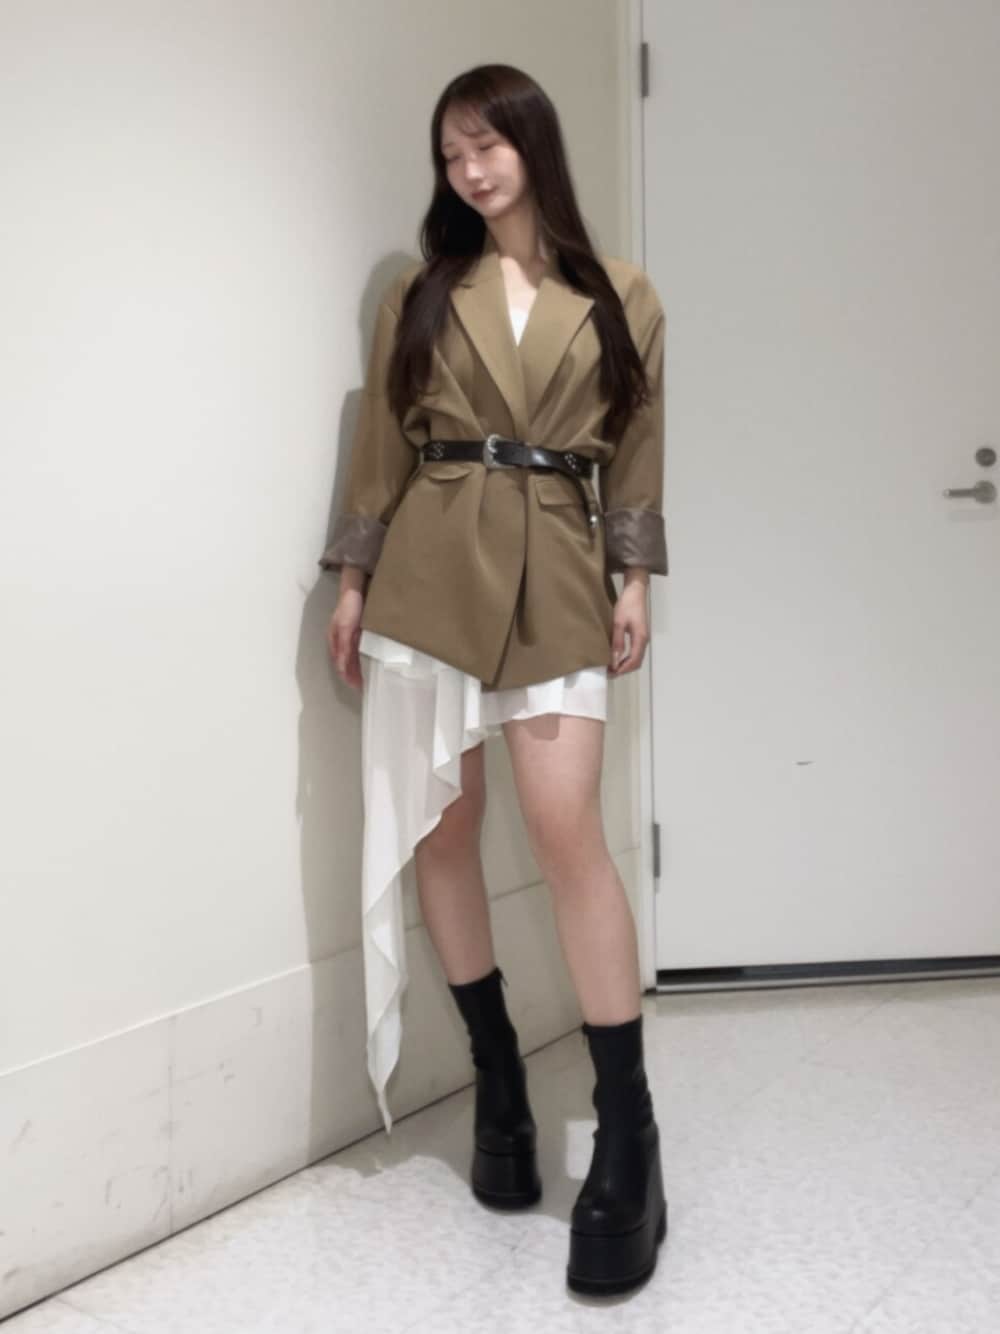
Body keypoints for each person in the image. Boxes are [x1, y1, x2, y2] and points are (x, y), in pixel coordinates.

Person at [320, 63, 668, 1297]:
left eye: (487, 144)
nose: (469, 169)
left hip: (560, 572)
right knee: (446, 831)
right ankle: (501, 1086)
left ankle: (628, 1133)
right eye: (450, 153)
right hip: (427, 571)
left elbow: (636, 447)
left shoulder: (619, 293)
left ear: (531, 144)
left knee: (571, 836)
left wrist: (633, 574)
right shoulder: (420, 294)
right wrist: (352, 579)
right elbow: (380, 448)